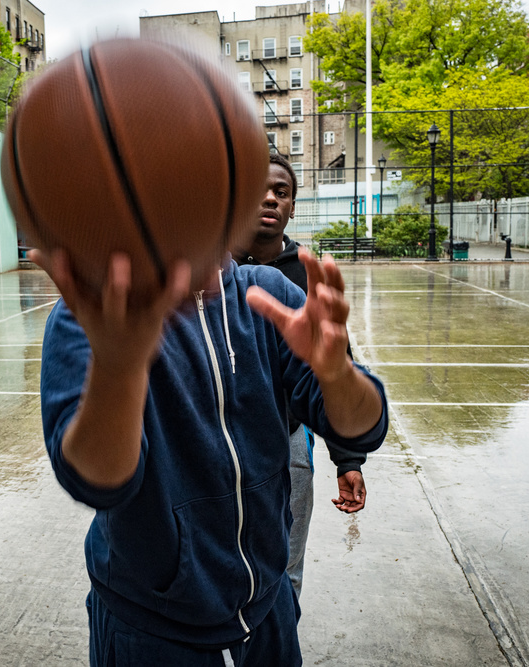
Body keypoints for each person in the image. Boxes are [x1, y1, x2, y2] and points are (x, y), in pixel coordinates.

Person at [32, 211, 388, 664]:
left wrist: (337, 374)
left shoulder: (270, 294)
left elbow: (362, 427)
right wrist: (117, 373)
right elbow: (96, 479)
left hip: (267, 611)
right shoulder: (92, 314)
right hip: (151, 628)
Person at [234, 154, 369, 598]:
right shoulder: (212, 268)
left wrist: (347, 460)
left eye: (282, 191)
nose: (270, 197)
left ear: (292, 207)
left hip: (289, 434)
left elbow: (335, 370)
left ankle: (280, 639)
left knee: (284, 565)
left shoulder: (309, 275)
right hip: (219, 432)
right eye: (258, 189)